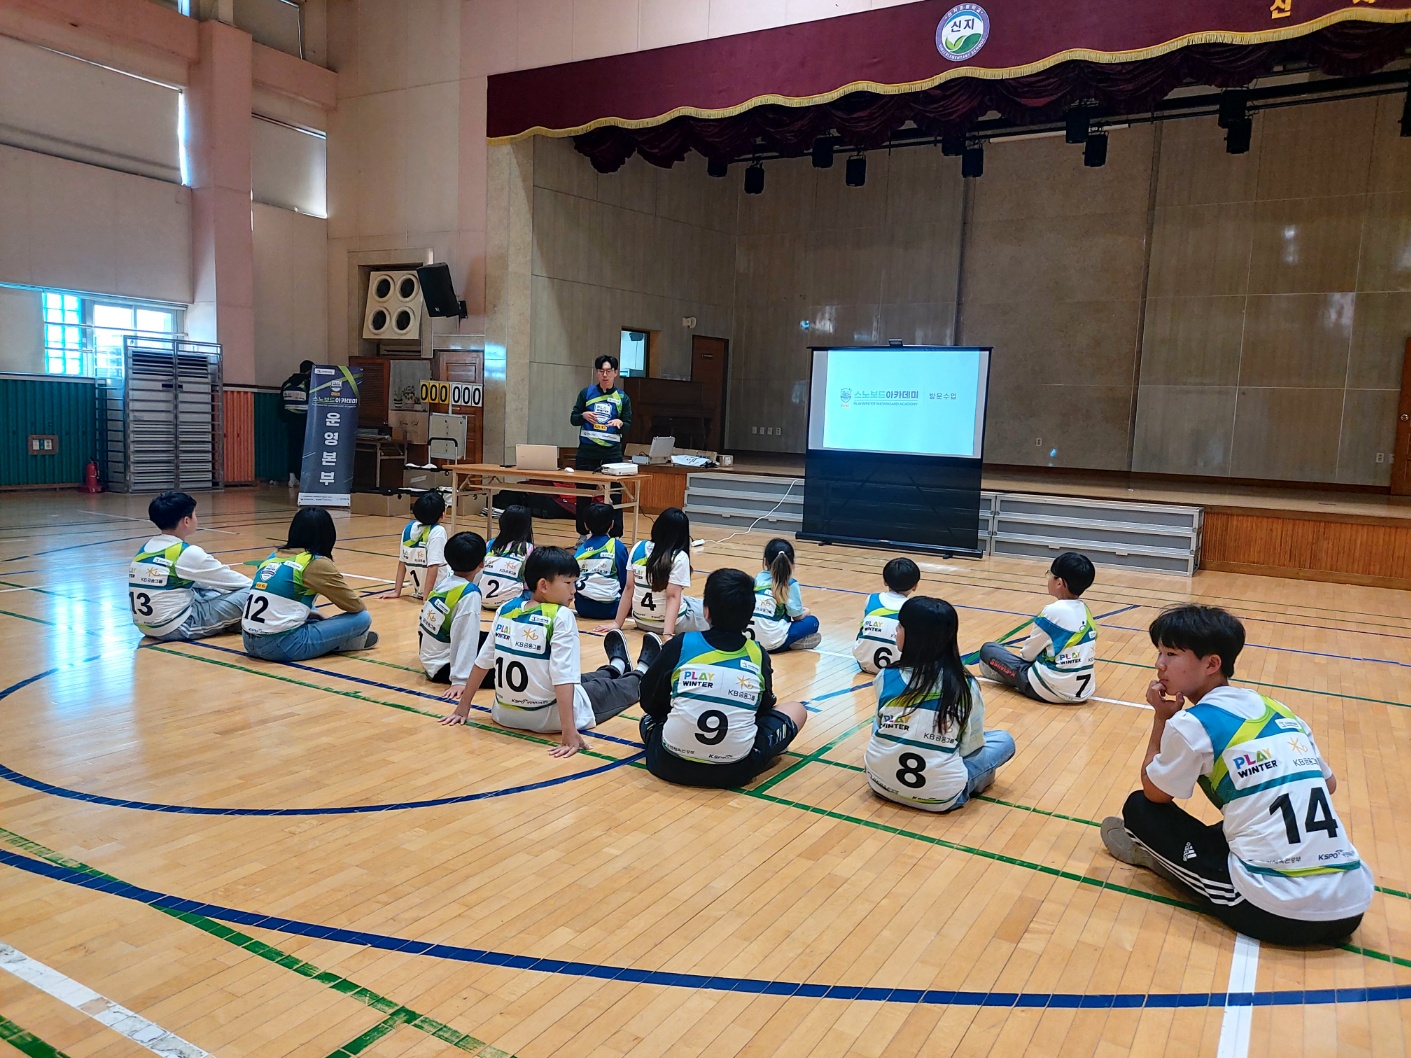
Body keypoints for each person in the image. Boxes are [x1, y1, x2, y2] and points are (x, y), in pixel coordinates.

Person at [1102, 606, 1372, 945]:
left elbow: (1155, 792)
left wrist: (1161, 718)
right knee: (1243, 820)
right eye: (1159, 653)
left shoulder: (1193, 723)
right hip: (1351, 907)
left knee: (1139, 808)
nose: (1159, 664)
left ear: (1212, 664)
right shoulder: (1281, 711)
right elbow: (1328, 785)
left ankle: (1166, 864)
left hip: (1274, 912)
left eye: (1171, 654)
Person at [439, 547, 659, 757]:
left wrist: (463, 707)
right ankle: (642, 671)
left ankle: (616, 666)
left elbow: (482, 663)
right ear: (543, 585)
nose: (574, 590)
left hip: (503, 715)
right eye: (568, 583)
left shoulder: (506, 610)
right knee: (612, 689)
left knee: (585, 679)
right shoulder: (560, 617)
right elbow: (563, 678)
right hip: (549, 719)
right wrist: (569, 731)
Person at [639, 568, 808, 788]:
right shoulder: (757, 654)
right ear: (750, 615)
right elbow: (763, 708)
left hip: (667, 764)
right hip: (733, 772)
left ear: (706, 611)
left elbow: (648, 701)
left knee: (648, 720)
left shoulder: (682, 644)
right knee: (797, 710)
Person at [865, 597, 1015, 812]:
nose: (896, 631)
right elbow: (969, 749)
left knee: (881, 725)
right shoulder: (966, 686)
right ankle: (971, 782)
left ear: (913, 637)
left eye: (900, 626)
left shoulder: (885, 676)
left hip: (879, 783)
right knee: (1003, 740)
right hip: (942, 799)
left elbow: (878, 730)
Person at [242, 508, 378, 662]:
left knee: (307, 606)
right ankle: (338, 643)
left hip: (248, 642)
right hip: (282, 646)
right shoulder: (315, 562)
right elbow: (355, 606)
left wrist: (315, 614)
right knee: (362, 618)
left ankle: (327, 638)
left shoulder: (273, 556)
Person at [127, 491, 251, 641]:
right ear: (186, 520)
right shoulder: (185, 553)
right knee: (252, 594)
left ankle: (233, 621)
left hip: (146, 627)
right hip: (177, 626)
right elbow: (236, 582)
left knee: (204, 589)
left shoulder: (145, 549)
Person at [977, 551, 1097, 703]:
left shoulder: (1051, 612)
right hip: (1085, 690)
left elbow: (1027, 655)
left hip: (1048, 689)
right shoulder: (1086, 611)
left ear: (1059, 583)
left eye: (1050, 575)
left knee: (988, 649)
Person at [598, 508, 707, 638]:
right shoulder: (679, 557)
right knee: (712, 606)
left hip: (641, 621)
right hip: (672, 624)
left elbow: (628, 588)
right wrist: (667, 633)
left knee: (690, 600)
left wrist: (617, 623)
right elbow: (672, 597)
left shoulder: (638, 547)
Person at [419, 531, 494, 699]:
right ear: (482, 563)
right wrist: (460, 680)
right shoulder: (469, 594)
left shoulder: (446, 582)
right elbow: (465, 637)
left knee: (496, 640)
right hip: (443, 667)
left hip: (432, 658)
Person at [570, 354, 632, 537]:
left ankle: (616, 535)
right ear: (597, 373)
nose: (605, 375)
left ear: (615, 373)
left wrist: (621, 423)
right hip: (587, 452)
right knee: (584, 496)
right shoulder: (586, 393)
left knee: (615, 495)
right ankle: (582, 534)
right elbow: (573, 419)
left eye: (608, 371)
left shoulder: (622, 398)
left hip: (611, 454)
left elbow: (628, 425)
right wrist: (583, 415)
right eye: (601, 371)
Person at [748, 538, 821, 652]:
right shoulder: (790, 584)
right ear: (792, 563)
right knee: (812, 621)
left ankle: (791, 641)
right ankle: (792, 642)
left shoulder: (756, 580)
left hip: (748, 641)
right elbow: (797, 617)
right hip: (774, 644)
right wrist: (807, 611)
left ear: (765, 561)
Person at [854, 557, 920, 673]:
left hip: (864, 663)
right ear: (915, 586)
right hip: (899, 668)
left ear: (885, 581)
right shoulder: (913, 607)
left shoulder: (871, 599)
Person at [388, 491, 448, 600]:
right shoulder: (438, 531)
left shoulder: (408, 528)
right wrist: (427, 598)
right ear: (442, 514)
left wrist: (397, 591)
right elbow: (433, 566)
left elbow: (402, 562)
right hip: (438, 591)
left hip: (419, 590)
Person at [574, 502, 629, 620]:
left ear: (586, 526)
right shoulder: (617, 547)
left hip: (582, 607)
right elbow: (625, 581)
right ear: (612, 524)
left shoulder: (579, 550)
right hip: (612, 608)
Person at [477, 505, 534, 610]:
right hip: (512, 602)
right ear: (527, 526)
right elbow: (528, 582)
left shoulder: (490, 544)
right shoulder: (527, 548)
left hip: (482, 599)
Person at [278, 359, 313, 488]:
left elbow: (280, 405)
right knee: (307, 450)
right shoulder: (309, 383)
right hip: (305, 422)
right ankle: (303, 477)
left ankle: (292, 477)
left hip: (290, 422)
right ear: (310, 371)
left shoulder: (286, 383)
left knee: (293, 449)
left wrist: (285, 419)